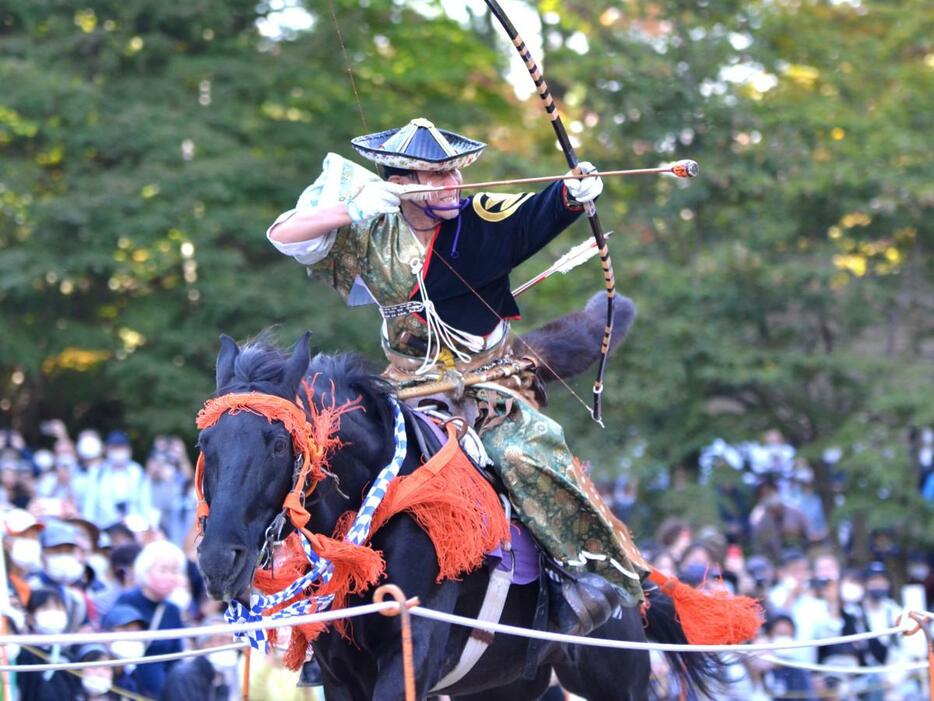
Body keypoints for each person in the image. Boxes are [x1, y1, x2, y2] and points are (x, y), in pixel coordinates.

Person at [266, 117, 645, 630]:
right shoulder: (370, 227)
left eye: (455, 173)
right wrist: (351, 210)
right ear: (400, 184)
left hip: (487, 380)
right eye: (437, 176)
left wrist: (572, 195)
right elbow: (283, 234)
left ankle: (581, 581)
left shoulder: (480, 221)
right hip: (403, 382)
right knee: (335, 460)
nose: (455, 185)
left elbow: (534, 214)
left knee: (526, 452)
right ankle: (316, 606)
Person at [110, 540, 186, 697]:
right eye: (163, 570)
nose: (170, 576)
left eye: (174, 571)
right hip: (128, 687)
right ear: (145, 570)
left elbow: (176, 656)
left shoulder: (172, 610)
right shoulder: (127, 600)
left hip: (162, 691)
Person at [16, 587, 82, 700]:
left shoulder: (67, 657)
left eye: (59, 608)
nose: (54, 613)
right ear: (30, 618)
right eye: (45, 608)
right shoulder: (22, 654)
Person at [160, 616, 241, 701]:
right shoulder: (183, 676)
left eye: (232, 641)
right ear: (204, 644)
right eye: (221, 640)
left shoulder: (225, 677)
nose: (228, 646)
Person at [83, 432, 153, 528]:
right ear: (107, 450)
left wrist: (148, 526)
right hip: (105, 528)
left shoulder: (137, 472)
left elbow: (145, 504)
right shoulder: (98, 473)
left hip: (134, 529)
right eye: (115, 448)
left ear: (129, 450)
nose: (118, 451)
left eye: (121, 447)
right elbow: (89, 507)